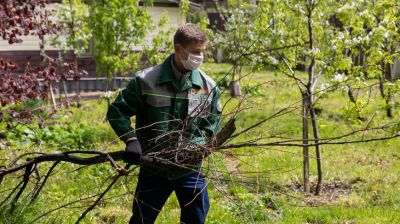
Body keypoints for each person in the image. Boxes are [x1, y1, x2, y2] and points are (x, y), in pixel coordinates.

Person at [106, 23, 222, 224]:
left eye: (202, 51)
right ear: (178, 48)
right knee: (142, 219)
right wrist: (131, 139)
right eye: (196, 51)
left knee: (196, 219)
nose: (200, 56)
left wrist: (199, 147)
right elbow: (117, 110)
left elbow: (211, 124)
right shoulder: (146, 81)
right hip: (154, 168)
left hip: (189, 169)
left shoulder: (207, 87)